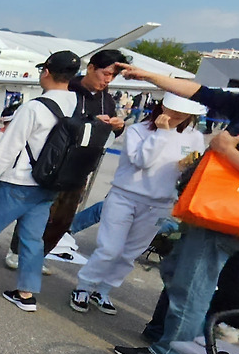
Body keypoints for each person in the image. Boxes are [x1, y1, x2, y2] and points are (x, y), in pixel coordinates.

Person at [113, 58, 239, 354]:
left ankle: (169, 353)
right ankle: (191, 337)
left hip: (226, 218)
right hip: (229, 215)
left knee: (192, 285)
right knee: (177, 270)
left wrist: (226, 151)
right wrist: (148, 76)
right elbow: (200, 92)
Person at [0, 51, 81, 311]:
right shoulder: (77, 105)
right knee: (33, 239)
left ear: (46, 71)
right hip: (50, 184)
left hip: (20, 181)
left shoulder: (35, 107)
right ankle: (26, 293)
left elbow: (10, 145)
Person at [71, 93, 207, 315]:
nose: (179, 115)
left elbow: (192, 167)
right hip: (125, 196)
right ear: (163, 106)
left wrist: (187, 168)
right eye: (175, 110)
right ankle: (84, 287)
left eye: (185, 113)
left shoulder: (194, 137)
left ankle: (103, 290)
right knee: (110, 249)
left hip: (161, 203)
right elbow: (142, 161)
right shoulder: (138, 130)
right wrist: (162, 134)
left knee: (130, 253)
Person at [5, 49, 129, 267]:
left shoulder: (107, 100)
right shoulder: (67, 89)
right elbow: (52, 123)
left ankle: (38, 256)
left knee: (63, 219)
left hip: (80, 168)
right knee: (39, 213)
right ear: (91, 68)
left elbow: (107, 135)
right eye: (106, 73)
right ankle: (17, 251)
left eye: (113, 76)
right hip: (54, 162)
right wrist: (89, 122)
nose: (108, 80)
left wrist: (117, 127)